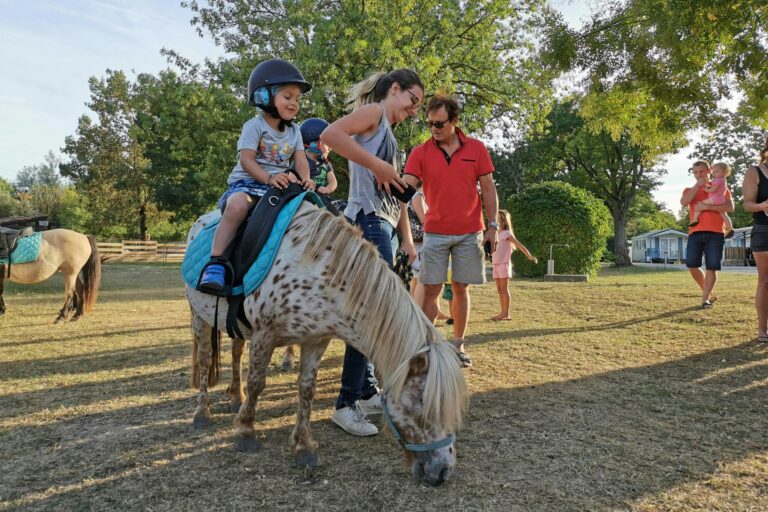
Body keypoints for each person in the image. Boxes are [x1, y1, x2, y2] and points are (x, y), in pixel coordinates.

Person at [320, 69, 422, 436]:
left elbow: (396, 198)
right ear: (395, 89)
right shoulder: (375, 113)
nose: (414, 110)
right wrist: (376, 163)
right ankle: (346, 403)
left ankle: (364, 391)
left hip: (386, 225)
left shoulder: (389, 133)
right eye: (413, 100)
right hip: (367, 220)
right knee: (372, 314)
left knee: (371, 313)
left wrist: (406, 239)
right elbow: (330, 134)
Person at [199, 59, 314, 293]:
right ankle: (216, 263)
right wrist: (268, 178)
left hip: (278, 186)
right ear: (264, 96)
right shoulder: (254, 126)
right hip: (249, 182)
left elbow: (301, 159)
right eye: (288, 97)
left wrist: (306, 179)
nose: (294, 103)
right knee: (238, 206)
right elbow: (247, 160)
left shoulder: (295, 131)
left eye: (297, 99)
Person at [403, 94, 499, 368]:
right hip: (435, 232)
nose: (433, 129)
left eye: (439, 124)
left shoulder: (476, 149)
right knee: (430, 289)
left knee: (460, 287)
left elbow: (488, 188)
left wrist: (493, 226)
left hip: (470, 231)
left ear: (454, 121)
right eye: (430, 124)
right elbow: (407, 185)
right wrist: (387, 179)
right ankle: (425, 346)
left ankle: (458, 344)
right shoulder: (421, 152)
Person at [680, 160, 734, 309]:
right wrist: (696, 187)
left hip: (716, 232)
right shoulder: (689, 190)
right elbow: (684, 202)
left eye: (701, 171)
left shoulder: (720, 187)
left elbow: (730, 207)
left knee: (712, 266)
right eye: (695, 172)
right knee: (692, 264)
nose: (698, 175)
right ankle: (708, 292)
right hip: (695, 232)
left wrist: (706, 207)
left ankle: (705, 300)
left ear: (709, 171)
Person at [741, 138, 768, 342]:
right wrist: (762, 206)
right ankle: (762, 330)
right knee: (765, 281)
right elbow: (747, 204)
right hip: (764, 230)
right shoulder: (755, 172)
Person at [491, 210, 537, 321]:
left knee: (504, 289)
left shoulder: (506, 233)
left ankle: (506, 314)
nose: (496, 221)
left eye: (498, 219)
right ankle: (502, 313)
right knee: (499, 290)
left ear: (504, 222)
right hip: (496, 265)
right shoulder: (495, 234)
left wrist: (529, 256)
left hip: (504, 265)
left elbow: (519, 245)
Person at [299, 118, 338, 208]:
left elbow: (333, 181)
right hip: (306, 201)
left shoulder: (326, 163)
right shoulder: (301, 162)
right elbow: (295, 179)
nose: (330, 148)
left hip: (323, 199)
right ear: (314, 144)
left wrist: (328, 189)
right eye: (327, 143)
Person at [690, 162, 735, 238]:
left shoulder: (717, 180)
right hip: (721, 199)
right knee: (724, 215)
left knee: (699, 205)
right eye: (713, 171)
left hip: (714, 199)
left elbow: (713, 189)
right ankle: (730, 228)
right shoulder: (723, 180)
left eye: (716, 171)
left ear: (724, 172)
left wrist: (706, 190)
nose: (714, 173)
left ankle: (695, 219)